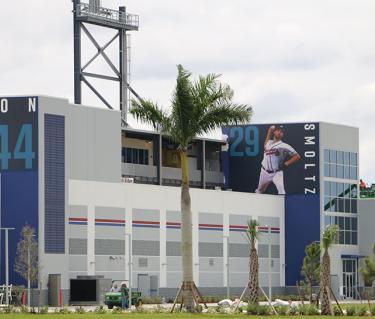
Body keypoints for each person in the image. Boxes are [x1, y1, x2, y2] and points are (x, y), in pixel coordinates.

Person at [255, 125, 300, 195]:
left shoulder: (284, 145)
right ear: (274, 132)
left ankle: (282, 205)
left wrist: (287, 163)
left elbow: (297, 156)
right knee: (259, 191)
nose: (279, 132)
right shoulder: (268, 143)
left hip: (277, 172)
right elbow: (265, 145)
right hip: (264, 172)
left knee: (281, 192)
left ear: (282, 135)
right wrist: (269, 132)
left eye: (281, 132)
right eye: (278, 130)